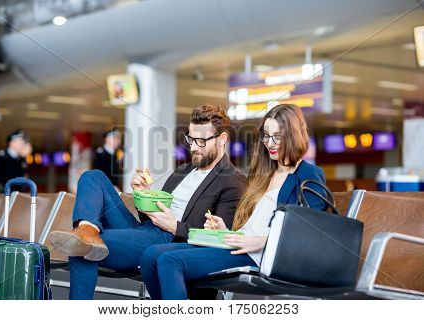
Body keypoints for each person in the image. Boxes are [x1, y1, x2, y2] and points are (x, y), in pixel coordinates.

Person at [48, 104, 246, 300]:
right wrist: (143, 196)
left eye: (201, 141)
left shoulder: (232, 181)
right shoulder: (183, 171)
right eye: (190, 139)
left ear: (222, 139)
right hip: (146, 230)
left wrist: (176, 227)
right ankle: (87, 228)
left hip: (169, 240)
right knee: (93, 177)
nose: (193, 147)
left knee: (81, 247)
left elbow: (219, 238)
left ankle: (86, 237)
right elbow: (152, 216)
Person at [139, 104, 329, 300]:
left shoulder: (307, 174)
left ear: (293, 135)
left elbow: (309, 232)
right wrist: (225, 231)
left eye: (277, 136)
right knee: (151, 256)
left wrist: (261, 241)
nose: (269, 143)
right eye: (265, 135)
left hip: (259, 255)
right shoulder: (265, 175)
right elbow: (252, 225)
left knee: (170, 261)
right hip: (237, 245)